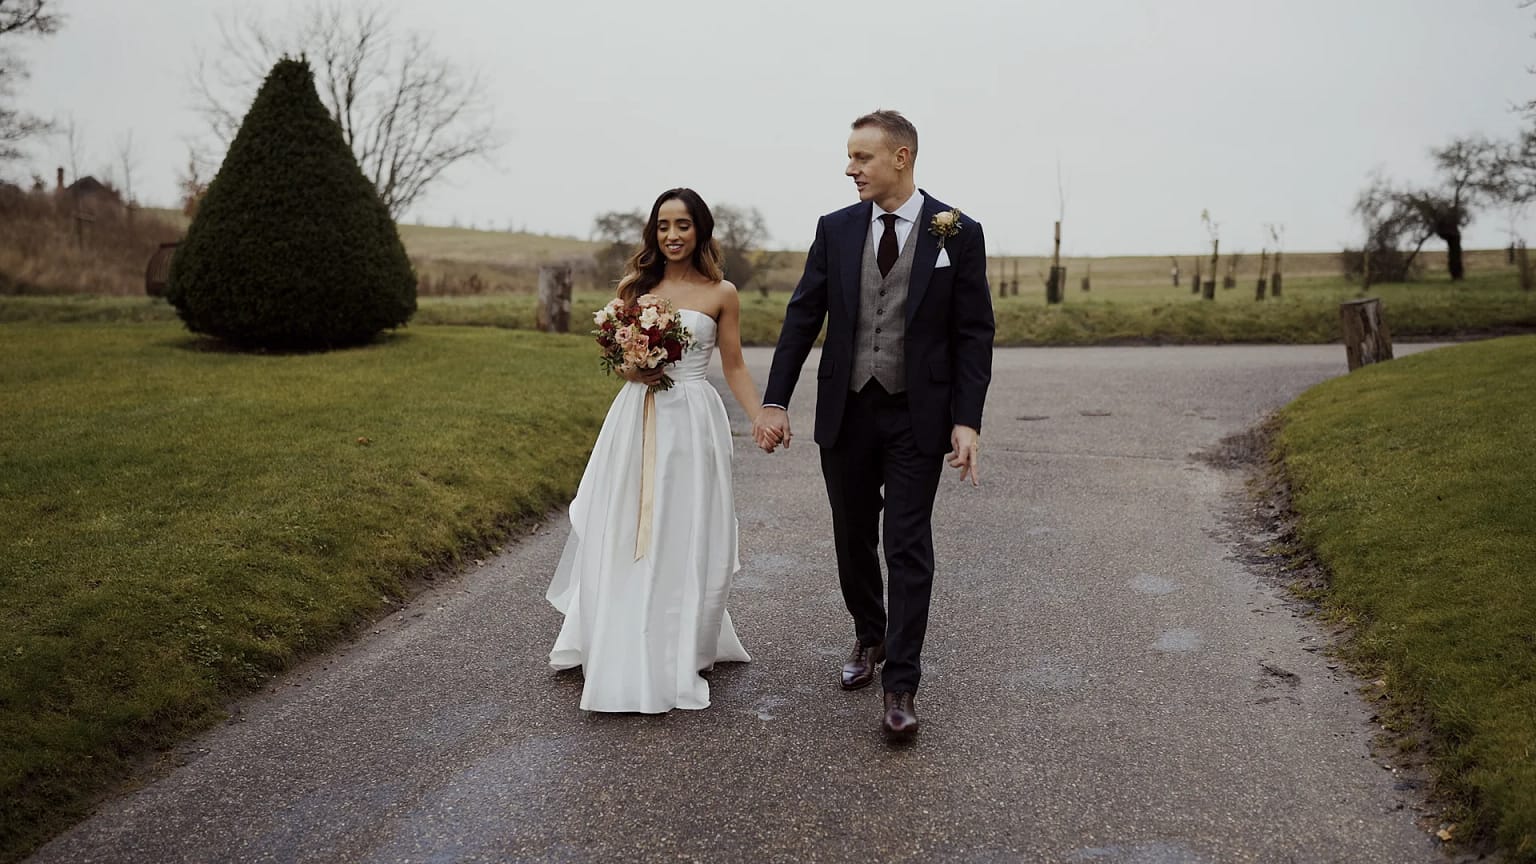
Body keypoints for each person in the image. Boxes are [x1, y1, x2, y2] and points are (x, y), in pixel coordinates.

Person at [753, 110, 995, 741]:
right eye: (850, 156)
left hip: (919, 414)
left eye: (861, 157)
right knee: (852, 533)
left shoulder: (957, 232)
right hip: (848, 408)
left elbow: (974, 334)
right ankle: (870, 632)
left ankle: (902, 685)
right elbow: (802, 318)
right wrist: (775, 400)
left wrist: (967, 420)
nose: (850, 168)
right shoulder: (835, 229)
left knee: (907, 544)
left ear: (901, 157)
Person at [546, 188, 764, 713]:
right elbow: (619, 358)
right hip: (638, 416)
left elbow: (733, 364)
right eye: (663, 225)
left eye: (683, 224)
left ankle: (683, 637)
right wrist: (632, 367)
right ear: (653, 232)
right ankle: (622, 629)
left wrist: (761, 415)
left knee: (687, 522)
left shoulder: (722, 293)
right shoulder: (636, 288)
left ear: (700, 230)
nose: (672, 235)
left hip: (693, 420)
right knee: (628, 521)